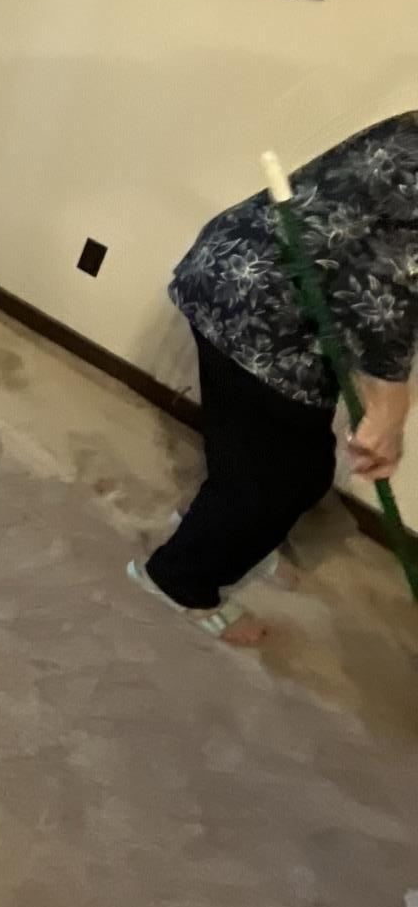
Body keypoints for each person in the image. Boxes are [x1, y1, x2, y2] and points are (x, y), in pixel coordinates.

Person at [131, 111, 418, 646]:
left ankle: (219, 534)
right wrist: (390, 408)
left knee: (285, 469)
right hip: (264, 305)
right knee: (275, 478)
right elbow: (385, 285)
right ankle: (177, 579)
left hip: (261, 287)